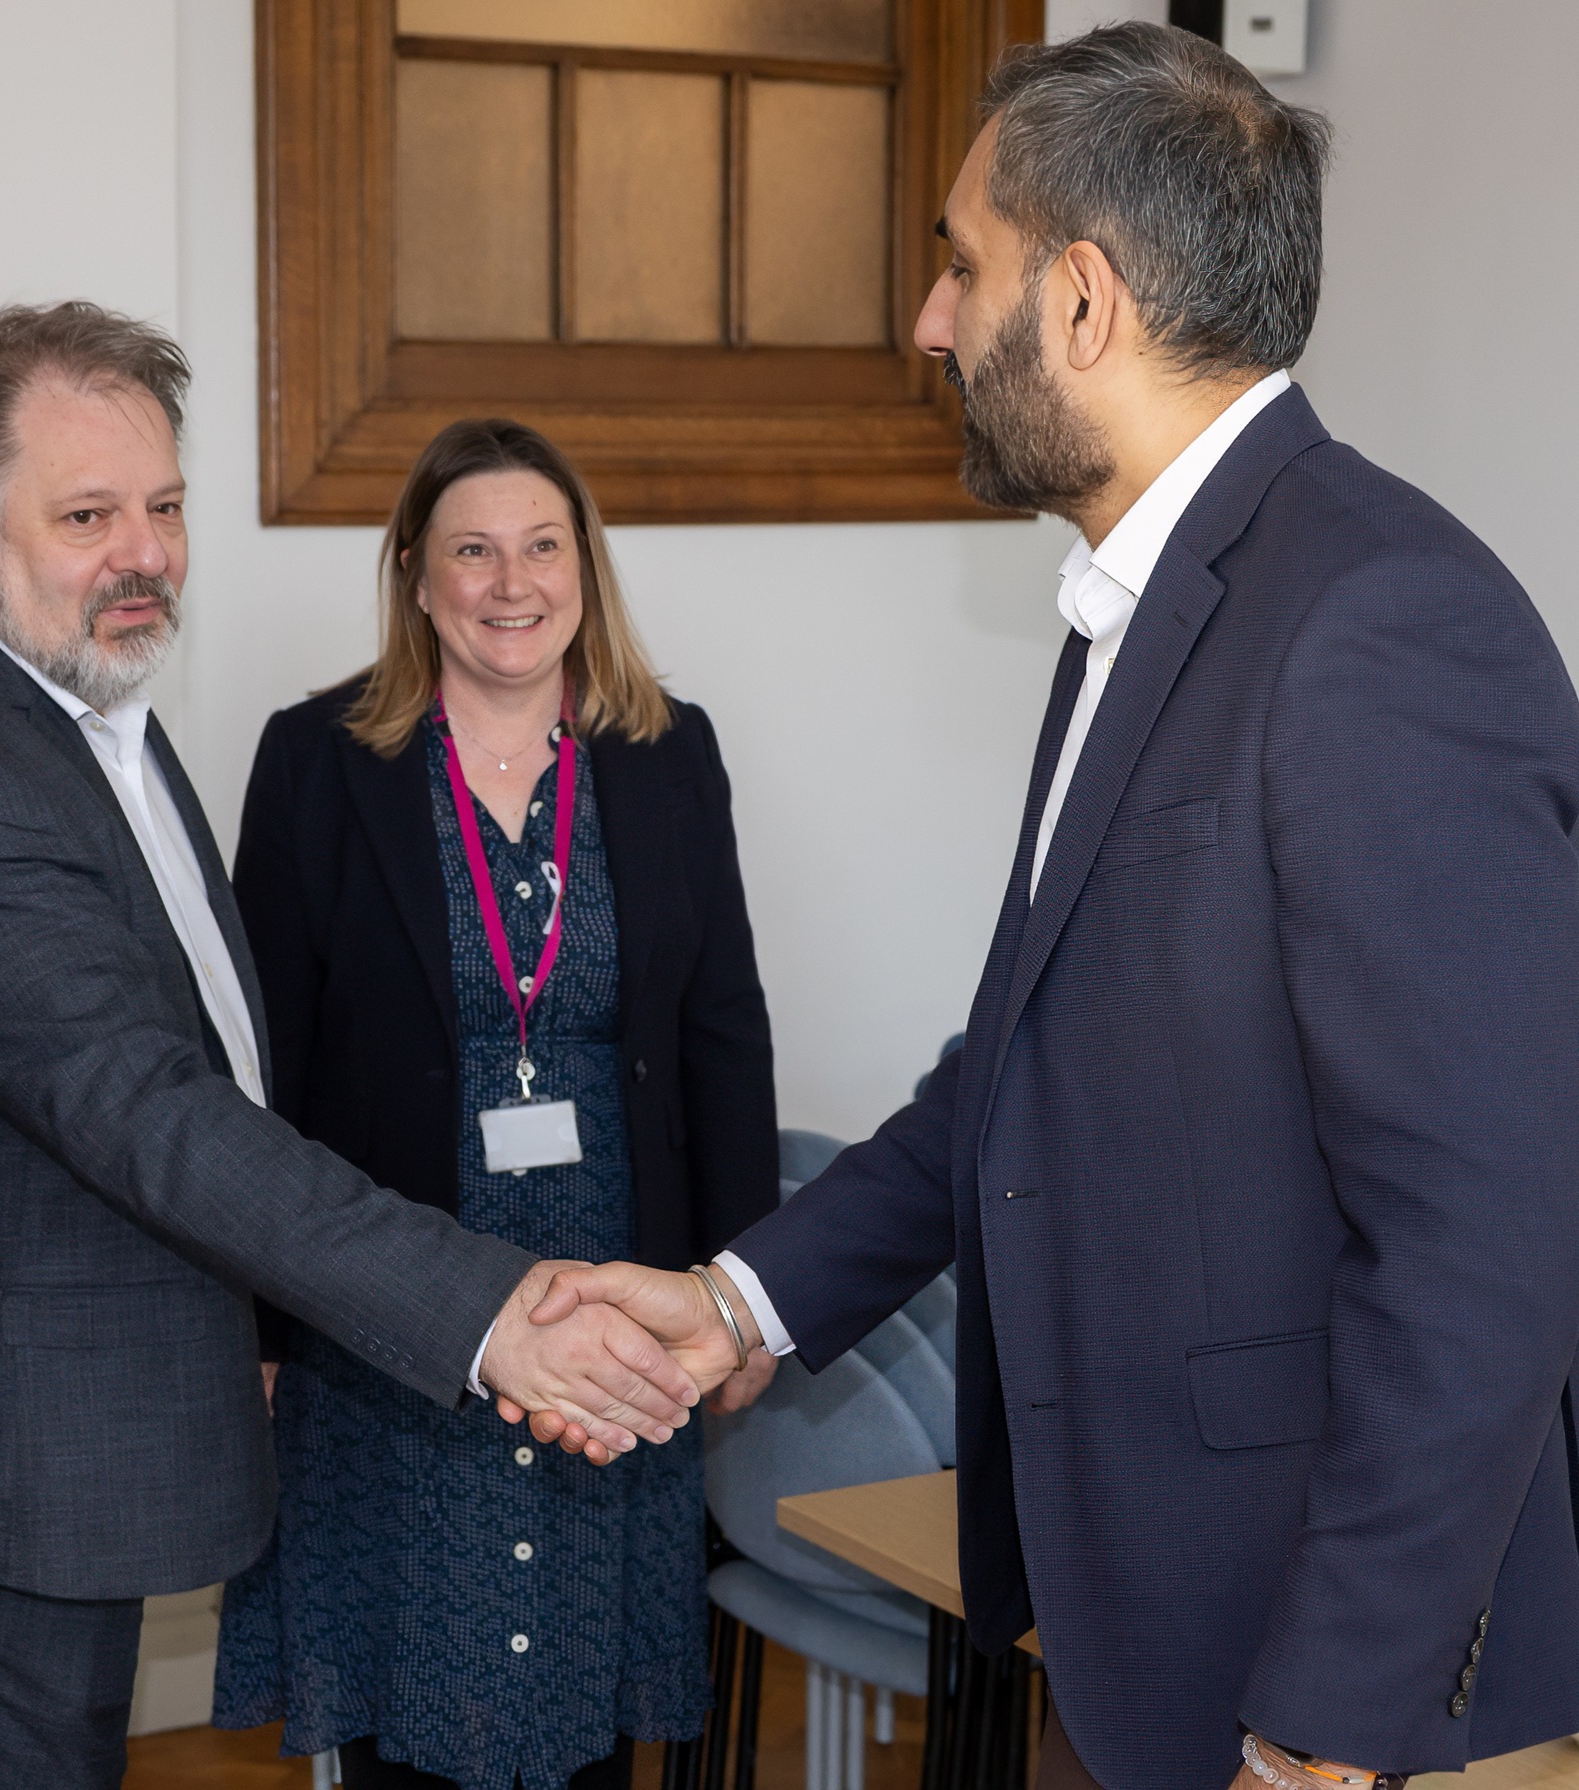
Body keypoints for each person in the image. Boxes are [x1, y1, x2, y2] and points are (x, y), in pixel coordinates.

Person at [519, 23, 1579, 1790]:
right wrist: (741, 1303)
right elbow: (1014, 1072)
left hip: (1335, 1696)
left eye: (961, 262)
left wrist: (1326, 1718)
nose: (931, 320)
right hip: (1132, 1623)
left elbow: (1486, 1242)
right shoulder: (1147, 600)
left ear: (1081, 302)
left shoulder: (1380, 622)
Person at [0, 306, 700, 1790]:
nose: (141, 551)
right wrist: (491, 1310)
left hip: (44, 1460)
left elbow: (205, 1059)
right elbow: (152, 1112)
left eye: (164, 507)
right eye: (87, 515)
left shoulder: (68, 707)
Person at [211, 418, 780, 1790]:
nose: (509, 581)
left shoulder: (668, 752)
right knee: (411, 1700)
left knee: (582, 1700)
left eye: (541, 546)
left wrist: (744, 1289)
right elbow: (259, 1065)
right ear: (416, 574)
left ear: (585, 569)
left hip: (618, 1301)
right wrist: (264, 1315)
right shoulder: (315, 763)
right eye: (472, 549)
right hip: (397, 1314)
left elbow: (724, 1030)